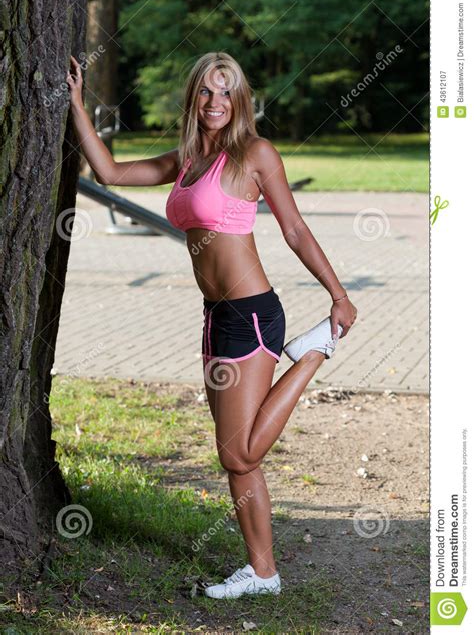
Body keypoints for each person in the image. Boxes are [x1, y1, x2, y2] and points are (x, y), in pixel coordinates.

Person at [66, 51, 357, 600]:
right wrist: (78, 105)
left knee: (239, 453)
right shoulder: (187, 159)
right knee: (237, 456)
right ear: (193, 99)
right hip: (215, 316)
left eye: (226, 92)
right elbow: (109, 173)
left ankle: (315, 351)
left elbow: (293, 229)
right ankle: (264, 573)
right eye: (206, 91)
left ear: (240, 99)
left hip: (252, 313)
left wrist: (338, 295)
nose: (215, 102)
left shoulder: (255, 154)